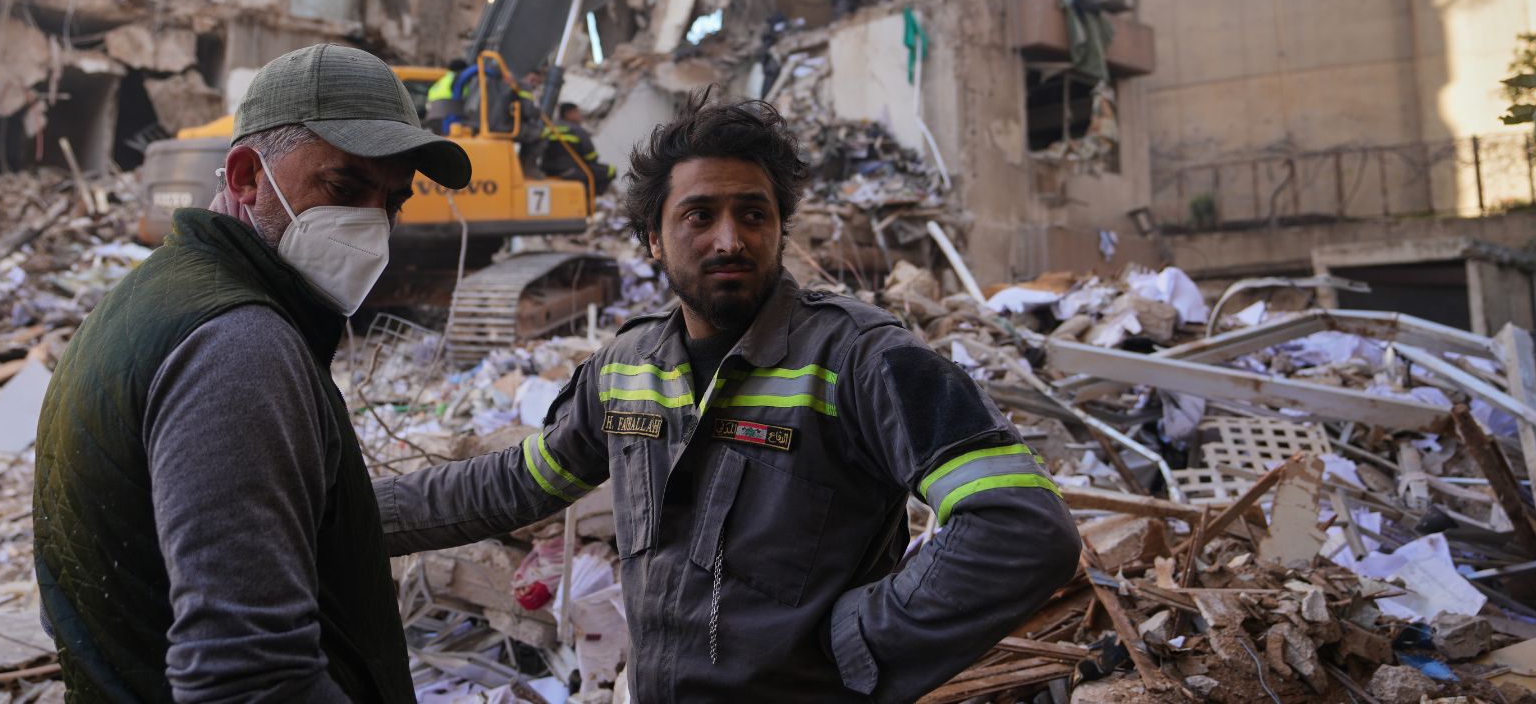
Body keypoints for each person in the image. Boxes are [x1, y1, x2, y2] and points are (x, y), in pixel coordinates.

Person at [376, 92, 1080, 703]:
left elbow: (1019, 525)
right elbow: (516, 483)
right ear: (653, 238)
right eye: (699, 216)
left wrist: (855, 640)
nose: (729, 239)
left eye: (753, 214)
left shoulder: (861, 361)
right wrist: (348, 511)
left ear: (779, 229)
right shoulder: (624, 368)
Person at [34, 43, 472, 703]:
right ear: (246, 177)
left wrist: (547, 467)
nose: (372, 226)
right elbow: (248, 682)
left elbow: (282, 517)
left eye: (392, 201)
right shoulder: (239, 346)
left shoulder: (157, 296)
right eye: (344, 187)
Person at [538, 102, 617, 190]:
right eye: (576, 112)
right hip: (570, 171)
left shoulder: (548, 128)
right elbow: (591, 156)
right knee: (611, 170)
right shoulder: (577, 130)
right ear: (568, 114)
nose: (579, 115)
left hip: (547, 170)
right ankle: (587, 196)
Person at [424, 58, 465, 133]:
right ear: (462, 70)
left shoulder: (443, 80)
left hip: (432, 119)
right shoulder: (458, 80)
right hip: (445, 120)